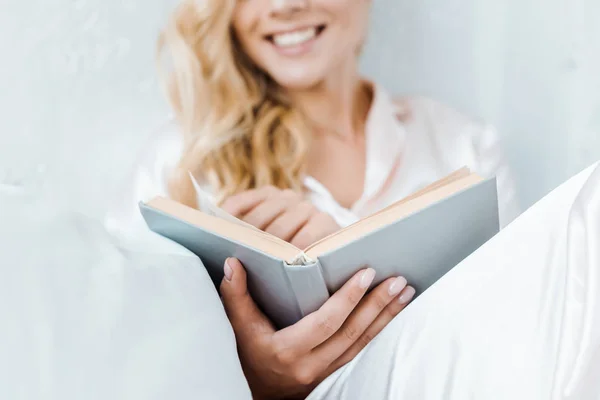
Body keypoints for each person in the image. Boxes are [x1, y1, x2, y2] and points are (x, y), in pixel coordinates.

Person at [105, 0, 523, 398]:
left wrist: (351, 265)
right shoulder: (181, 164)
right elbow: (118, 364)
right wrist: (255, 383)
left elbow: (514, 348)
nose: (285, 5)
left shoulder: (462, 147)